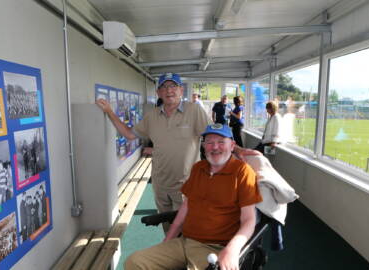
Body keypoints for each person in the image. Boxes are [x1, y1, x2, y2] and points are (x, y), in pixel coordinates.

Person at [96, 73, 259, 232]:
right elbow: (129, 134)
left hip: (186, 184)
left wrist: (237, 150)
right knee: (167, 225)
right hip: (160, 183)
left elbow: (214, 136)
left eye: (173, 86)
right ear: (158, 92)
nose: (169, 90)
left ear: (181, 90)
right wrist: (110, 111)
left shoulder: (194, 110)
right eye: (164, 87)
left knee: (188, 227)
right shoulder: (151, 116)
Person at [125, 124, 262, 270]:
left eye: (221, 142)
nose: (215, 147)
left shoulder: (242, 172)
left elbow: (249, 220)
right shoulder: (198, 168)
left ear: (232, 145)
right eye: (209, 142)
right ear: (204, 146)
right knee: (134, 262)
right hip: (184, 242)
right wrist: (168, 240)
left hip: (215, 248)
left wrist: (233, 249)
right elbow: (186, 207)